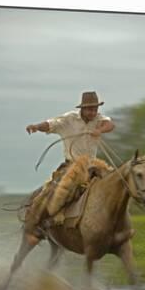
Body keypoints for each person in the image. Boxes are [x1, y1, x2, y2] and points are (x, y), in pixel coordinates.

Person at [23, 91, 115, 235]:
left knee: (113, 185)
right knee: (58, 191)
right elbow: (50, 124)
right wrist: (36, 126)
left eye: (95, 109)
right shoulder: (68, 119)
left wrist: (100, 130)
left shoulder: (99, 119)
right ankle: (45, 222)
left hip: (93, 166)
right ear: (82, 108)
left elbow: (110, 124)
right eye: (90, 109)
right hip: (72, 165)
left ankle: (112, 223)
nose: (93, 112)